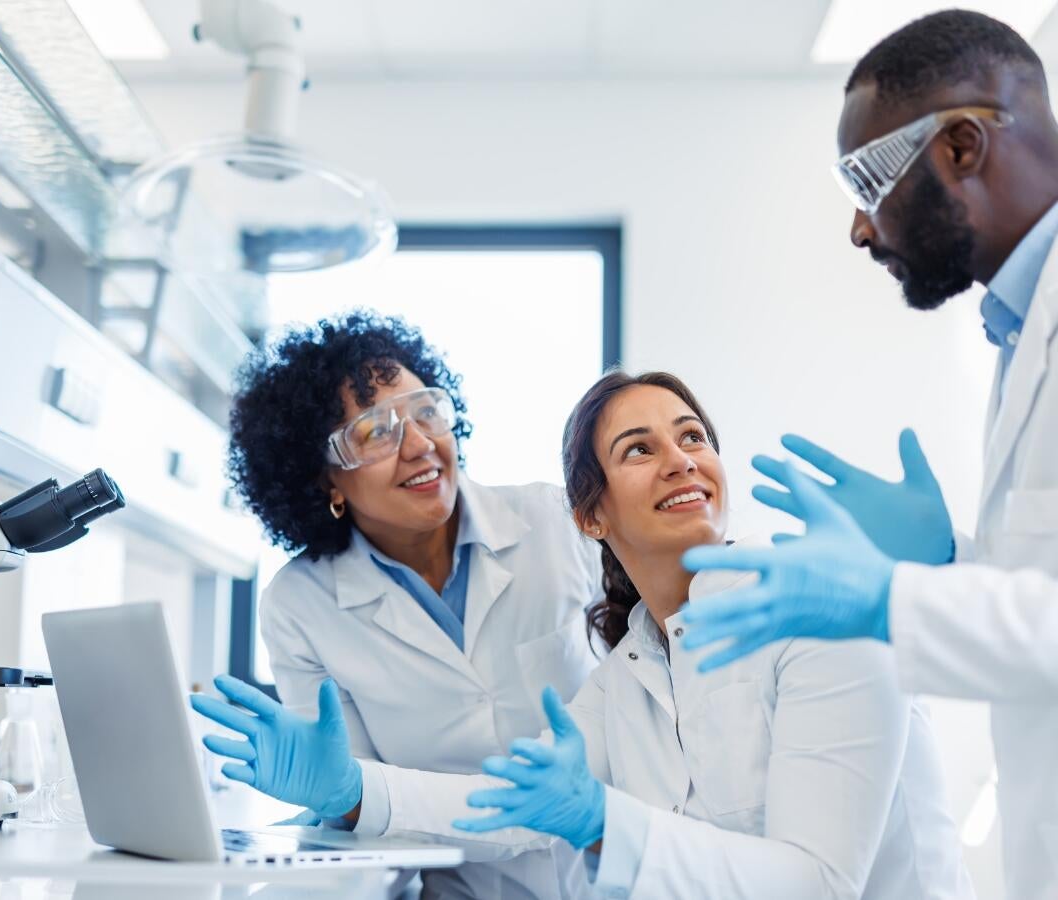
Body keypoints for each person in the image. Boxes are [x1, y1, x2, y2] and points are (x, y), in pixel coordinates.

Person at [198, 370, 972, 899]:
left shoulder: (819, 613)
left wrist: (607, 823)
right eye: (640, 449)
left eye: (693, 437)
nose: (680, 461)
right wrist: (353, 790)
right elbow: (508, 807)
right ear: (590, 517)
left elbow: (816, 883)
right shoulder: (631, 671)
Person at [678, 12, 1058, 900]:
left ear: (961, 146)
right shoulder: (1017, 332)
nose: (858, 227)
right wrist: (954, 563)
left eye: (868, 178)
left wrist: (893, 599)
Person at [193, 310, 602, 900]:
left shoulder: (556, 524)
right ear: (324, 480)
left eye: (425, 412)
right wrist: (333, 813)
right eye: (375, 431)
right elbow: (354, 804)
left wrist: (361, 795)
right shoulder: (300, 605)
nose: (418, 445)